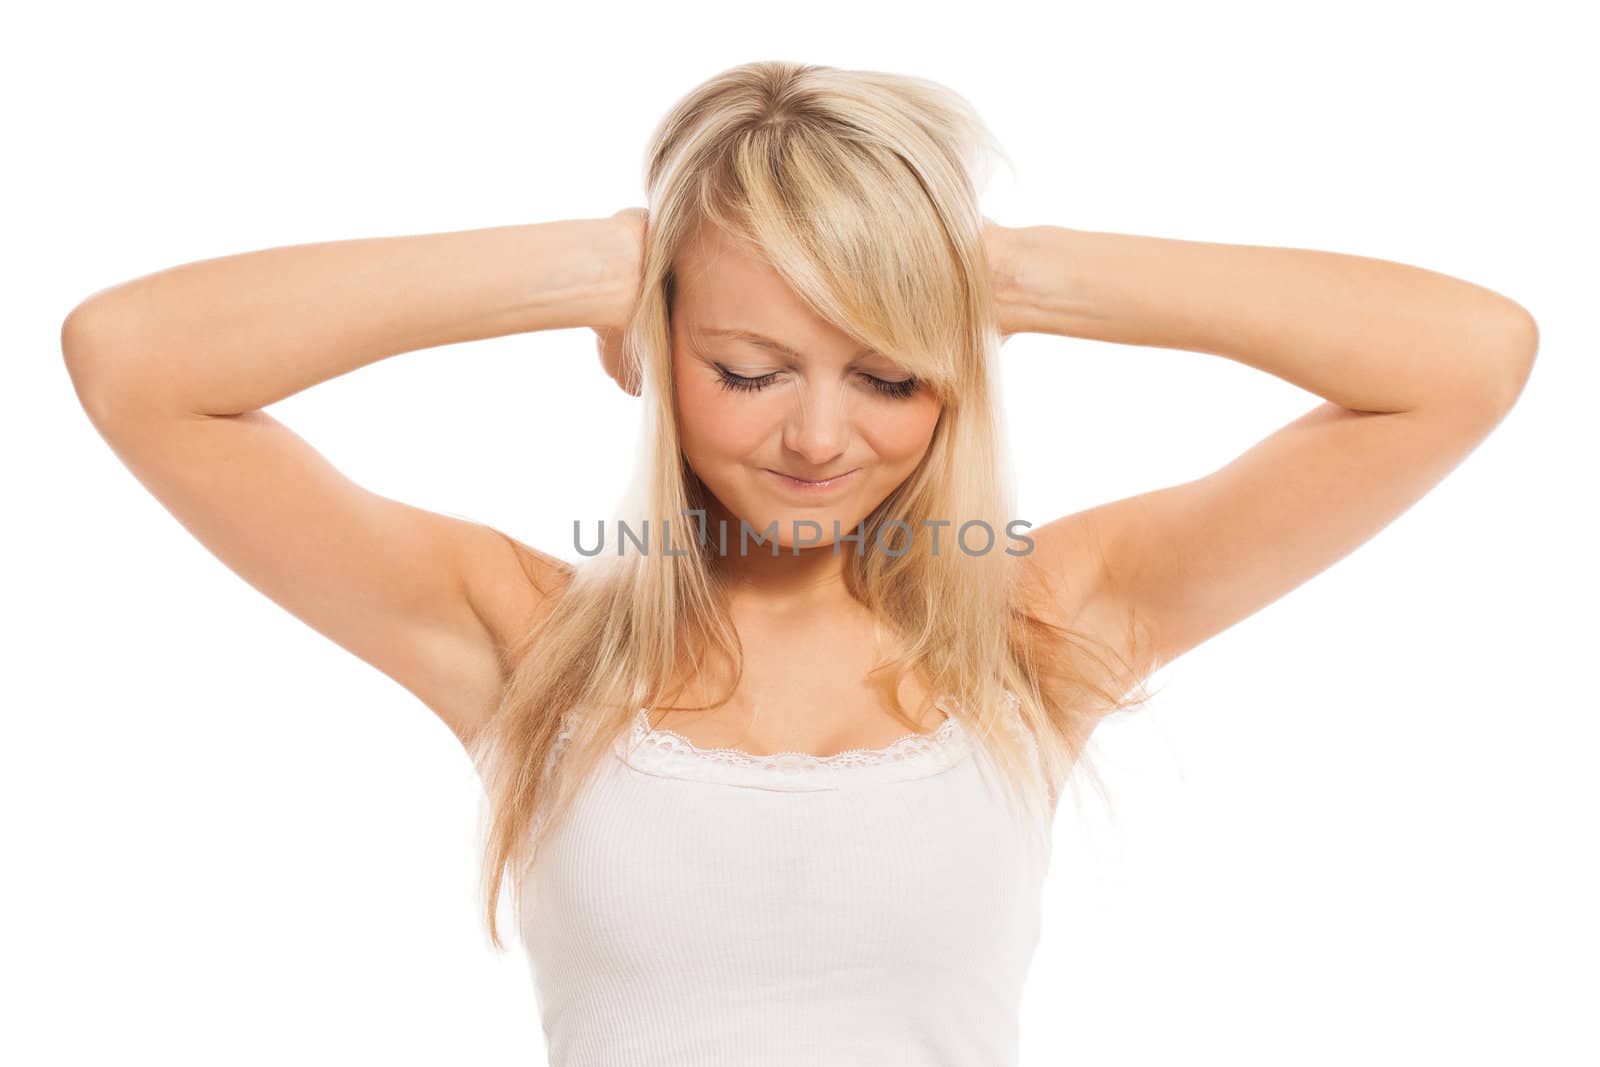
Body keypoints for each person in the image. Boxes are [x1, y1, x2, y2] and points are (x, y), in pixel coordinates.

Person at [60, 60, 1538, 1067]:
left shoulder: (1037, 631)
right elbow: (137, 364)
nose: (821, 437)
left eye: (889, 376)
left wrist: (1002, 271)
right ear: (659, 356)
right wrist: (606, 260)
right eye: (751, 367)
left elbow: (1465, 361)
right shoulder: (526, 642)